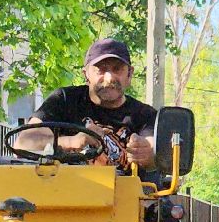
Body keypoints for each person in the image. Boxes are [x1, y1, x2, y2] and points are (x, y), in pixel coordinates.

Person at [17, 38, 158, 171]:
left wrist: (147, 153)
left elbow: (155, 148)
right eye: (100, 69)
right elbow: (23, 144)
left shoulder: (145, 115)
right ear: (86, 74)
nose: (109, 78)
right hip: (66, 192)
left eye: (117, 69)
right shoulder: (64, 100)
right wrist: (72, 142)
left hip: (126, 195)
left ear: (129, 74)